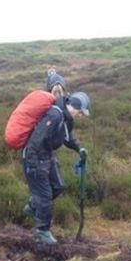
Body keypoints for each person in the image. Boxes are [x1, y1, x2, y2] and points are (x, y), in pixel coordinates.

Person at [22, 91, 90, 244]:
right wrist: (32, 164)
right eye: (80, 112)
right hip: (35, 158)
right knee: (45, 197)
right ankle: (42, 231)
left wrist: (79, 148)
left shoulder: (66, 118)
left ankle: (32, 207)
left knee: (57, 186)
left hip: (47, 156)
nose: (80, 116)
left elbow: (67, 137)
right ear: (74, 106)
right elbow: (36, 140)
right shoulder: (54, 115)